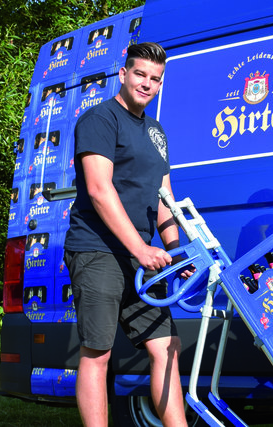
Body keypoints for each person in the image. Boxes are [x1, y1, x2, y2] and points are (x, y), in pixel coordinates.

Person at [63, 42, 187, 427]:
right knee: (97, 352)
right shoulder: (99, 119)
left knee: (167, 346)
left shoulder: (156, 131)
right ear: (123, 74)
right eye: (140, 74)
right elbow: (100, 190)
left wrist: (175, 250)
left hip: (141, 256)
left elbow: (163, 197)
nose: (147, 84)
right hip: (97, 250)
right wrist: (139, 246)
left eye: (155, 79)